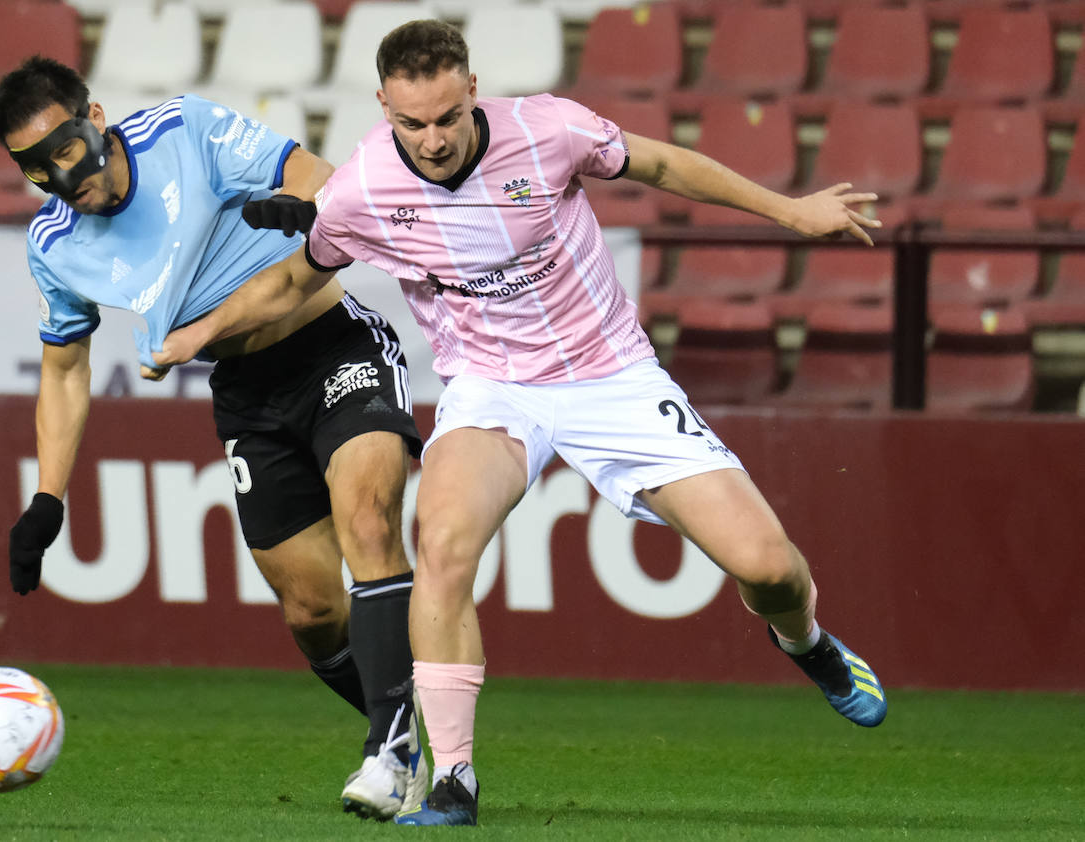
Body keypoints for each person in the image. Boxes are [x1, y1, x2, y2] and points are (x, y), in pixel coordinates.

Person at [151, 19, 890, 827]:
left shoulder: (549, 129)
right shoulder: (363, 187)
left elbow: (666, 162)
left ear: (472, 92)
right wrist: (196, 334)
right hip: (492, 390)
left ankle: (806, 642)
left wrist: (791, 212)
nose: (431, 140)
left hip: (612, 377)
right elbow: (295, 279)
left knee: (768, 566)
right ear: (384, 107)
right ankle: (452, 781)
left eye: (444, 118)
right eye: (411, 123)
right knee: (439, 543)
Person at [0, 56, 428, 820]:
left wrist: (303, 207)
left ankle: (393, 752)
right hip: (244, 396)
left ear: (94, 119)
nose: (58, 177)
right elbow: (65, 371)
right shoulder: (55, 245)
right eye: (34, 168)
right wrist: (46, 498)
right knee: (310, 611)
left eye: (62, 150)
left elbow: (313, 173)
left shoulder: (183, 130)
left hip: (332, 345)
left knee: (368, 521)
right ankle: (407, 733)